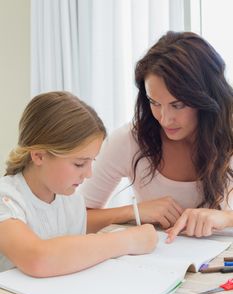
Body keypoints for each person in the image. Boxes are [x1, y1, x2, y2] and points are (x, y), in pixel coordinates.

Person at [79, 31, 233, 241]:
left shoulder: (229, 134)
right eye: (154, 103)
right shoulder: (129, 140)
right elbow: (78, 218)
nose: (165, 118)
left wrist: (226, 218)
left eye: (177, 105)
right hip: (157, 265)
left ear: (206, 98)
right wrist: (135, 212)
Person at [0, 91, 157, 276]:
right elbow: (38, 259)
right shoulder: (7, 199)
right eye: (79, 164)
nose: (89, 174)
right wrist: (129, 240)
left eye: (92, 161)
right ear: (39, 155)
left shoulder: (70, 201)